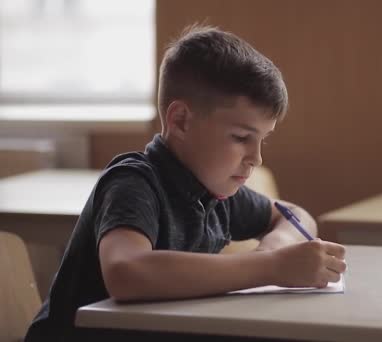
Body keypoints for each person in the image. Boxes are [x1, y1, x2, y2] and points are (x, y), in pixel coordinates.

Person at [25, 24, 347, 342]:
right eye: (241, 137)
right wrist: (269, 266)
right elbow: (126, 272)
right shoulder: (134, 182)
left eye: (263, 140)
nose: (256, 157)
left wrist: (276, 246)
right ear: (180, 120)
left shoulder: (214, 191)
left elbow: (294, 215)